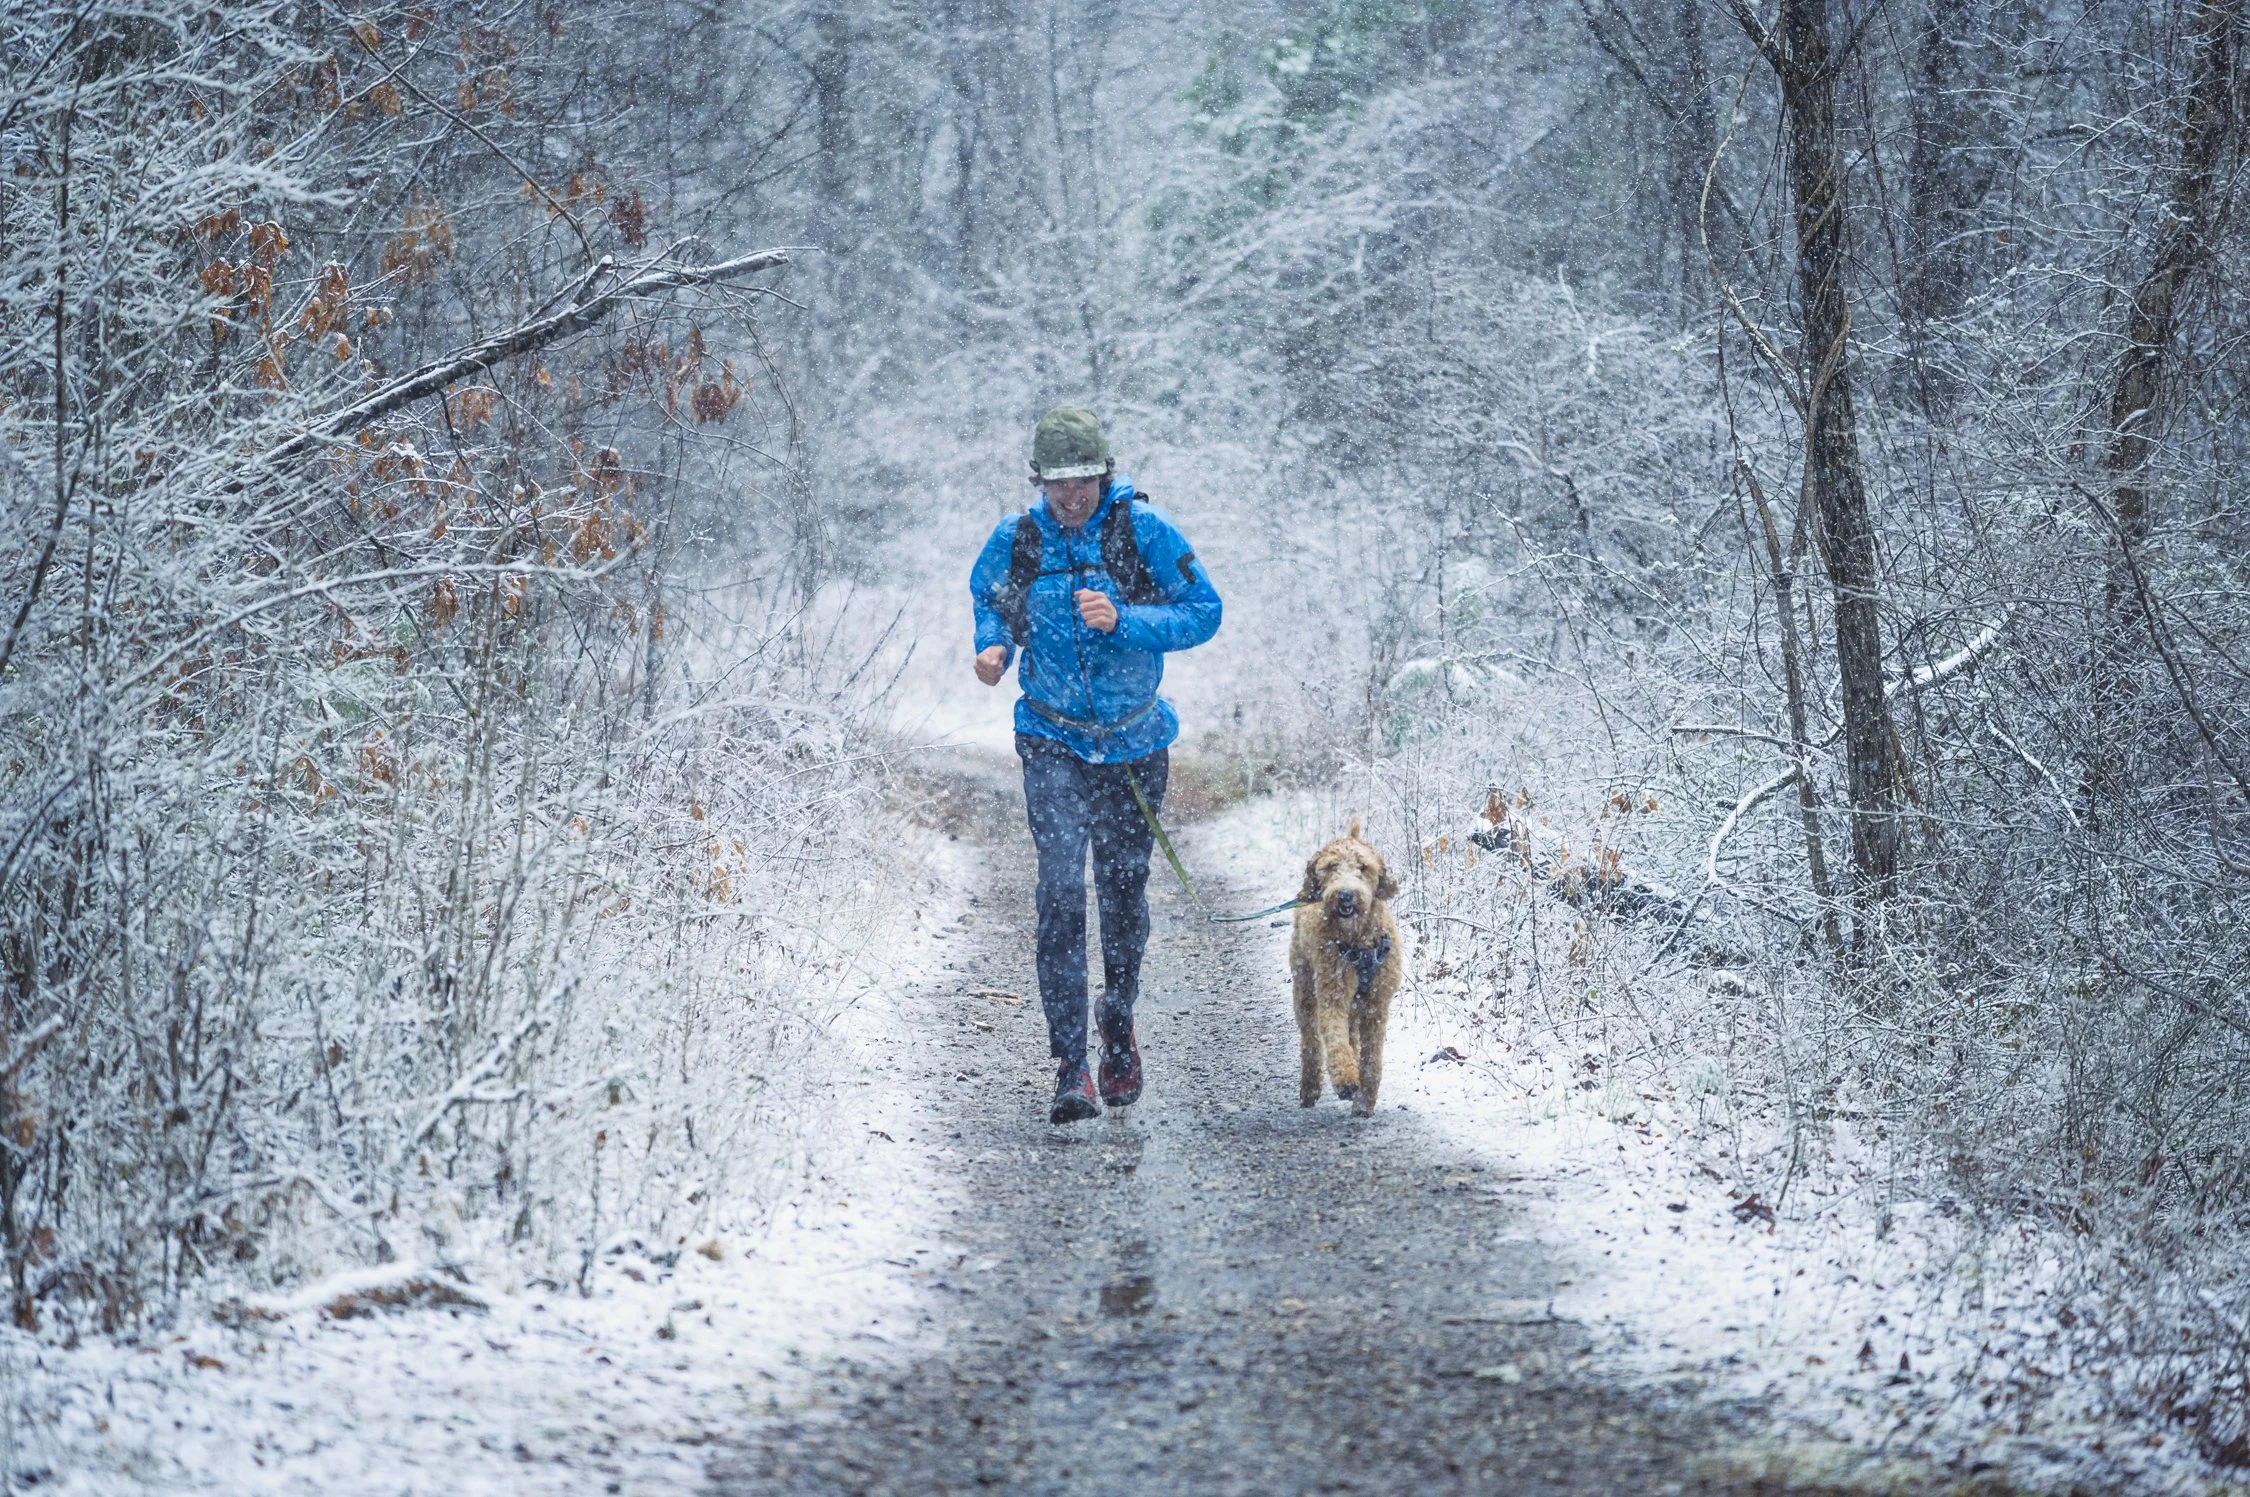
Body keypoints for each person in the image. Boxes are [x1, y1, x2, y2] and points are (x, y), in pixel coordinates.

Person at [968, 407, 1223, 1123]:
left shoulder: (1141, 530)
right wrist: (993, 647)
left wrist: (1126, 620)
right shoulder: (1018, 538)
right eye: (1058, 484)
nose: (1072, 496)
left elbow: (1205, 610)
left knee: (1121, 892)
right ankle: (1070, 1063)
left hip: (1133, 744)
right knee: (1057, 888)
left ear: (1103, 474)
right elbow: (990, 601)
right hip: (1051, 738)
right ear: (1040, 482)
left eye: (1082, 481)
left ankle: (1118, 1022)